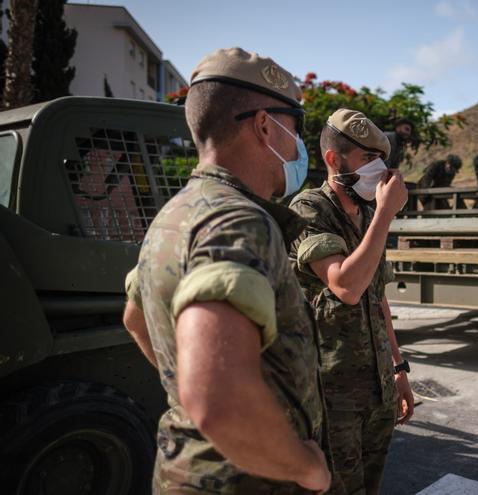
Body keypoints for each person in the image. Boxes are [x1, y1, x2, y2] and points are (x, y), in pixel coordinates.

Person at [121, 48, 330, 494]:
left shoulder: (174, 214)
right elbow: (216, 399)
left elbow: (135, 319)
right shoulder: (237, 221)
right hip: (245, 479)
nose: (298, 146)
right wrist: (304, 467)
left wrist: (186, 393)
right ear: (263, 125)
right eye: (296, 128)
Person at [289, 109, 415, 495]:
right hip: (331, 395)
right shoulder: (309, 209)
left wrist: (398, 368)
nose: (378, 169)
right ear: (333, 159)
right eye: (367, 160)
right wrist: (386, 216)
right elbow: (346, 285)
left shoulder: (366, 215)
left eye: (381, 160)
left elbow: (378, 299)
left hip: (376, 389)